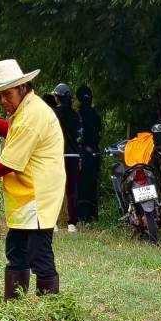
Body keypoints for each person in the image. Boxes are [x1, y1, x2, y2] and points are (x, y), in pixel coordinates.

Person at [0, 59, 66, 299]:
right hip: (26, 192)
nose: (3, 101)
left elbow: (8, 163)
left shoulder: (33, 114)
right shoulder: (25, 109)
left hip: (38, 193)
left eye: (7, 94)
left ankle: (50, 307)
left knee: (38, 253)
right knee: (16, 249)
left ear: (22, 87)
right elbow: (14, 134)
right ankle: (14, 302)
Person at [52, 84, 82, 233]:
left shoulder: (53, 113)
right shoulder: (76, 115)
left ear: (57, 97)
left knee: (55, 189)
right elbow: (80, 137)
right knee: (72, 190)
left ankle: (53, 223)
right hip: (74, 156)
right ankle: (72, 224)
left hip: (57, 155)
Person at [76, 85, 102, 223]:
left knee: (82, 186)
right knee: (92, 185)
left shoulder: (78, 115)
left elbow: (78, 137)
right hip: (95, 154)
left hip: (83, 155)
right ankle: (93, 215)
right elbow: (98, 134)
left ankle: (83, 216)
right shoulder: (95, 115)